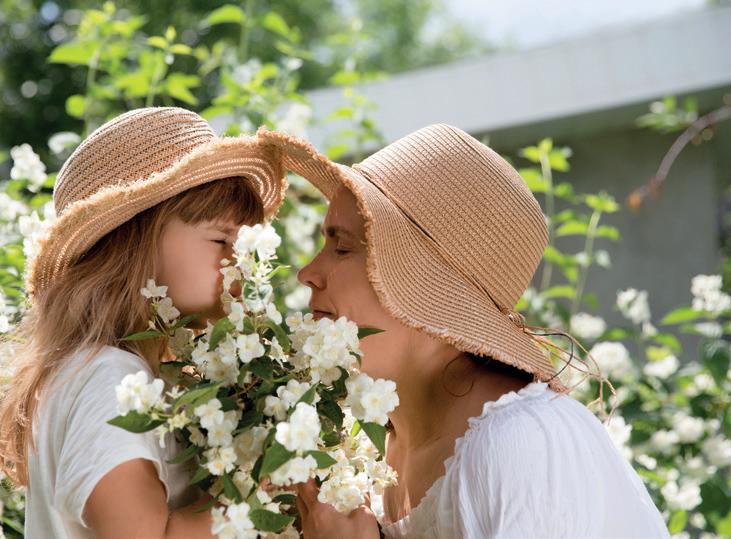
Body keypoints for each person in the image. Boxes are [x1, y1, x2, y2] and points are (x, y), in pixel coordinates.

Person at [258, 125, 669, 538]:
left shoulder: (522, 444)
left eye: (343, 247)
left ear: (425, 285)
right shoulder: (363, 451)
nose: (307, 272)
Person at [0, 107, 287, 538]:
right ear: (136, 244)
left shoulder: (102, 369)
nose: (239, 261)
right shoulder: (108, 377)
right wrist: (267, 481)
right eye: (221, 238)